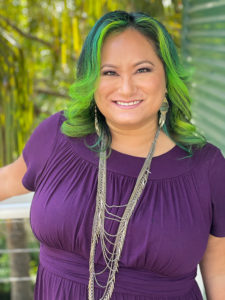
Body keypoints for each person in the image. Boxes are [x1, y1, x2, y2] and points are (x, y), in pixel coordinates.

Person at [0, 10, 225, 300]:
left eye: (143, 69)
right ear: (92, 81)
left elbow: (219, 270)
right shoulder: (58, 137)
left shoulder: (207, 167)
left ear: (167, 77)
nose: (126, 87)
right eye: (110, 72)